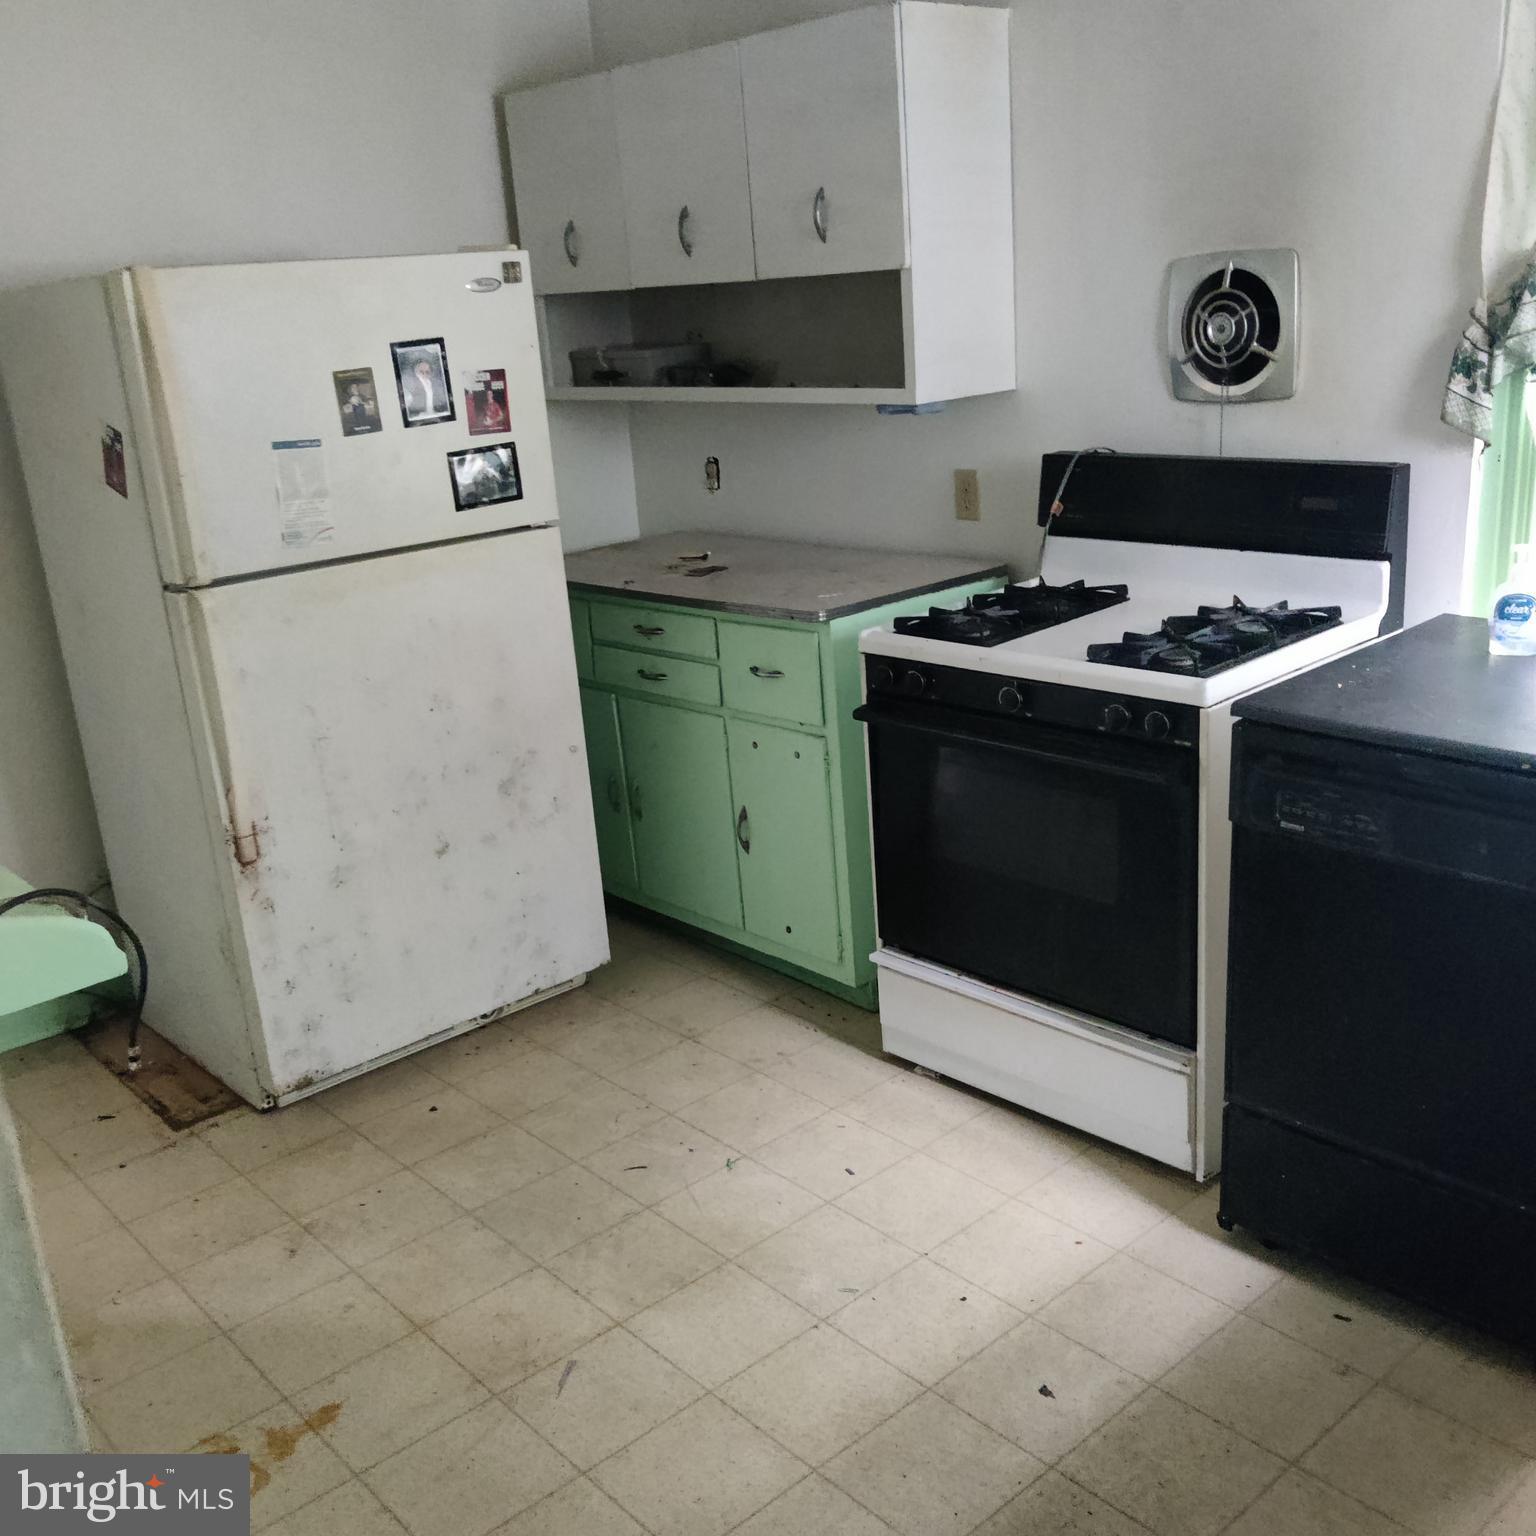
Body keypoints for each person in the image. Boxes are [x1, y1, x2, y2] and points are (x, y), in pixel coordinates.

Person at [401, 354, 447, 420]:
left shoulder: (434, 384)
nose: (424, 375)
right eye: (421, 372)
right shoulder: (410, 385)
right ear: (416, 372)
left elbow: (441, 404)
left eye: (427, 372)